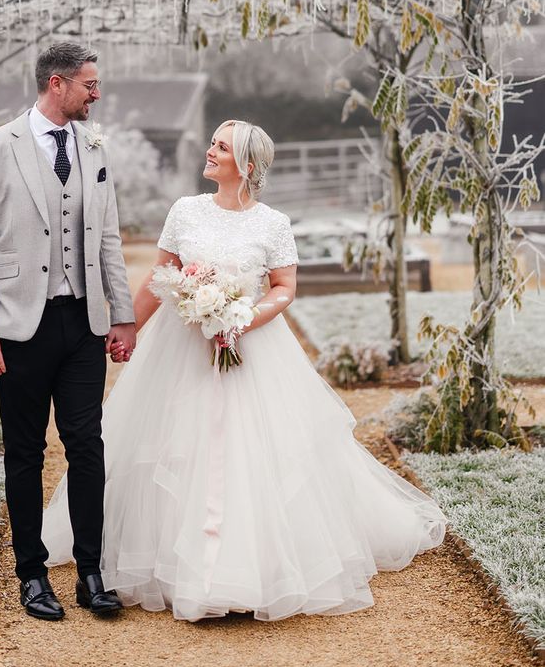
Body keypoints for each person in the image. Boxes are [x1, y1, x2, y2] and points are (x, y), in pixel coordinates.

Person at [43, 118, 447, 622]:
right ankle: (172, 558)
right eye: (212, 143)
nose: (210, 151)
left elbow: (283, 288)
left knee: (249, 453)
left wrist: (240, 318)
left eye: (221, 146)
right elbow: (161, 276)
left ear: (247, 165)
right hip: (181, 352)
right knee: (173, 446)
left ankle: (245, 569)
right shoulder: (185, 210)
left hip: (249, 351)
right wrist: (127, 329)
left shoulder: (272, 223)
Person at [0, 42, 136, 621]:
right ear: (56, 84)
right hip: (17, 326)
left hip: (83, 322)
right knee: (25, 453)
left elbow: (107, 234)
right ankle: (31, 575)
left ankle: (91, 572)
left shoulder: (93, 144)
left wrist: (123, 313)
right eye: (90, 84)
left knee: (87, 447)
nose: (97, 93)